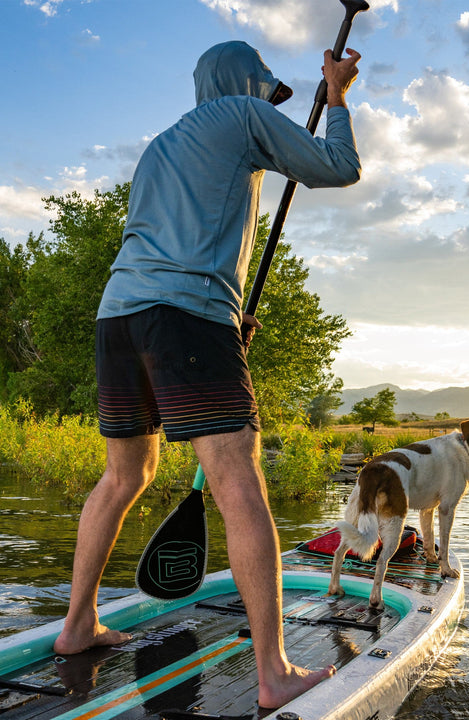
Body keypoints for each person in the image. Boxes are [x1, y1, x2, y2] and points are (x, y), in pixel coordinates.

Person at [52, 40, 362, 709]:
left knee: (124, 474)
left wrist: (225, 317)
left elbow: (178, 236)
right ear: (244, 83)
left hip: (120, 318)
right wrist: (335, 95)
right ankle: (275, 674)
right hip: (185, 315)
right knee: (237, 476)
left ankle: (77, 625)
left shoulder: (162, 144)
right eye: (267, 91)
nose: (270, 104)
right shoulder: (240, 116)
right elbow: (339, 168)